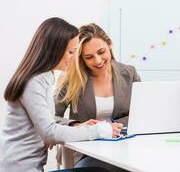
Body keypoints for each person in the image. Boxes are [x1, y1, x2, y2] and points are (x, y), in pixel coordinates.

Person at [0, 17, 122, 172]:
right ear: (54, 51)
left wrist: (78, 125)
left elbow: (47, 123)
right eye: (71, 52)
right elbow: (50, 133)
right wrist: (102, 130)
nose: (74, 58)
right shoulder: (33, 82)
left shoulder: (44, 77)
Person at [55, 23, 140, 169]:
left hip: (125, 148)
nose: (98, 61)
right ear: (81, 58)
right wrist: (76, 125)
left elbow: (141, 114)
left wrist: (111, 127)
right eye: (89, 57)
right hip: (86, 151)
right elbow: (50, 117)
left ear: (109, 45)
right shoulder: (72, 79)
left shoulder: (129, 73)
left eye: (101, 52)